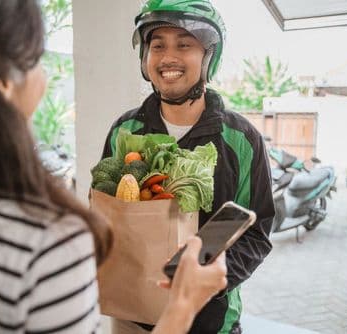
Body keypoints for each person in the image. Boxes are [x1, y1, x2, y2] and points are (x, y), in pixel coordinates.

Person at [0, 1, 227, 333]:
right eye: (36, 58)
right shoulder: (46, 243)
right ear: (5, 84)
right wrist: (183, 304)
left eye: (185, 44)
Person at [102, 1, 275, 333]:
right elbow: (107, 215)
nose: (168, 57)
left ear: (209, 57)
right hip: (132, 315)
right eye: (158, 45)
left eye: (184, 44)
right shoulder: (124, 132)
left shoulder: (241, 139)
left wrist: (207, 281)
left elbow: (256, 233)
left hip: (213, 320)